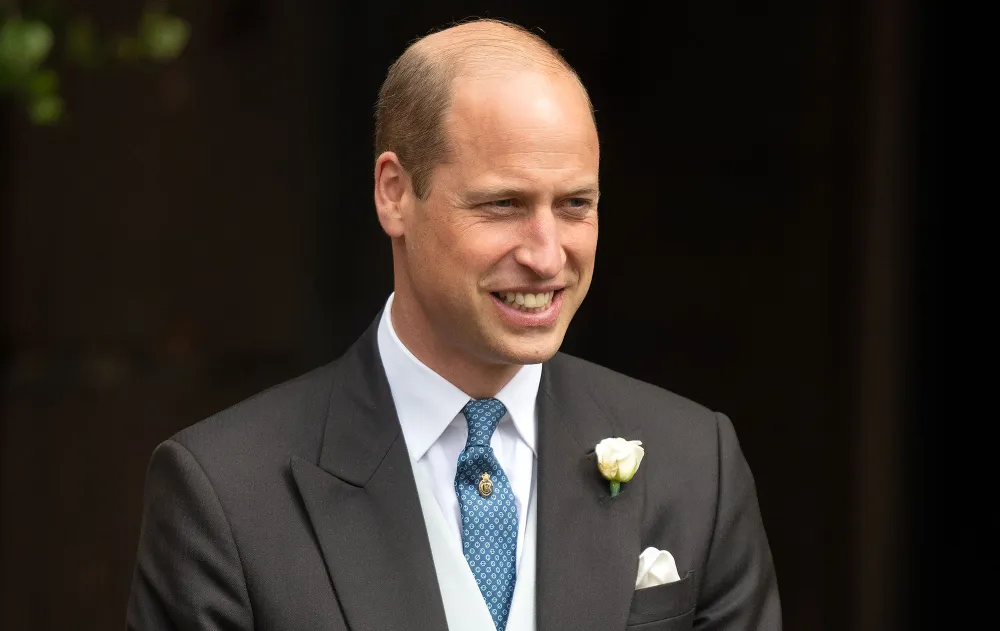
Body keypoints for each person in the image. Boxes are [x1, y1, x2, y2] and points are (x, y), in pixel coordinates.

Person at [127, 19, 780, 631]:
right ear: (394, 194)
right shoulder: (223, 492)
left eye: (575, 204)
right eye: (503, 204)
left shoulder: (697, 463)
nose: (547, 255)